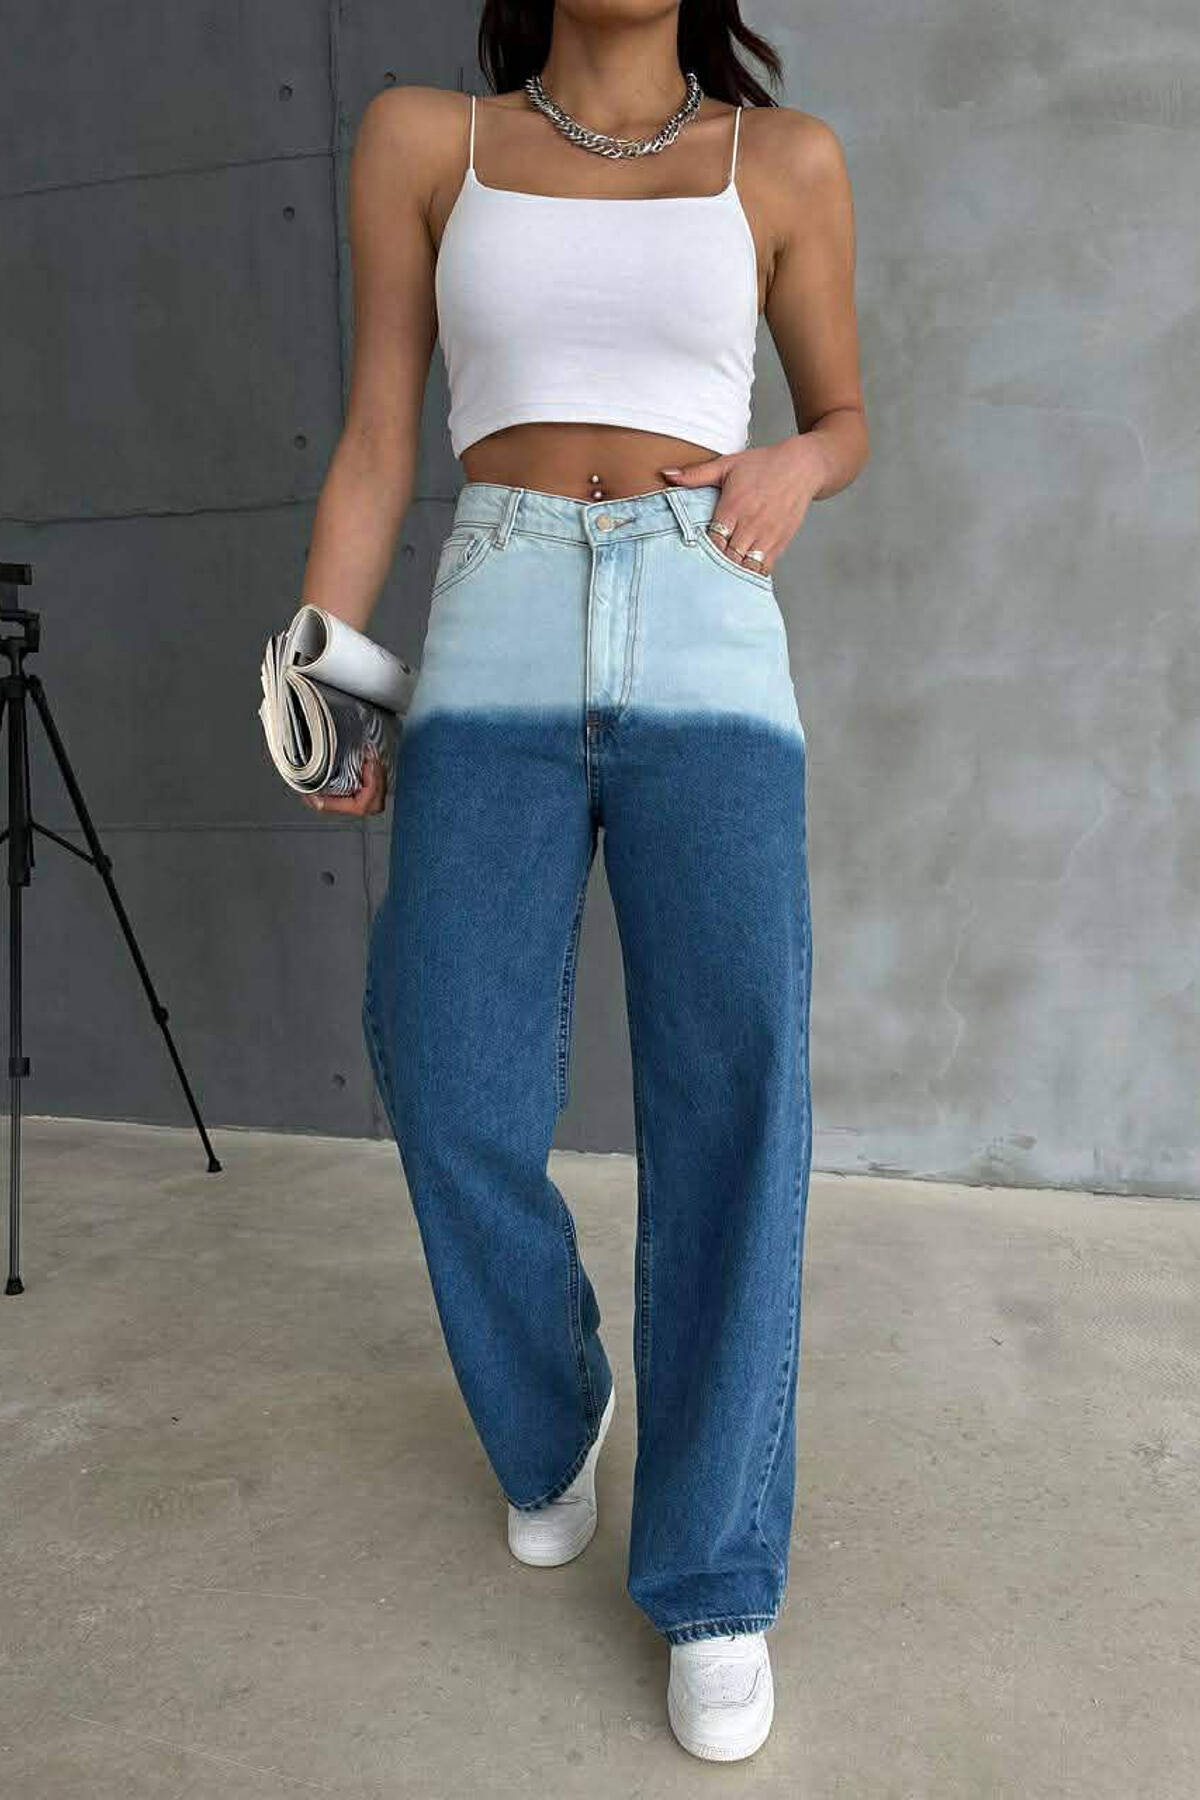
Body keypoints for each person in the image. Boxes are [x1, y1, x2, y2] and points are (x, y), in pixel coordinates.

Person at [299, 0, 868, 1765]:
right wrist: (319, 668)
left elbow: (845, 413)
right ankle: (558, 1403)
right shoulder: (425, 141)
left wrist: (798, 462)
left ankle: (714, 1576)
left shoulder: (784, 160)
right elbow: (380, 437)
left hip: (707, 625)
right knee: (444, 1065)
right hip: (499, 616)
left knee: (734, 1103)